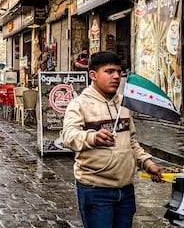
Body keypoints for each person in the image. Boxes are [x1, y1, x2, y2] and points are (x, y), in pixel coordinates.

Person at [62, 51, 163, 228]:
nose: (116, 76)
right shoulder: (79, 104)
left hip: (125, 191)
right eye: (109, 71)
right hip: (95, 190)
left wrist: (148, 163)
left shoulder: (124, 104)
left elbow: (131, 141)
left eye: (119, 72)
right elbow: (69, 137)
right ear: (93, 75)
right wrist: (92, 137)